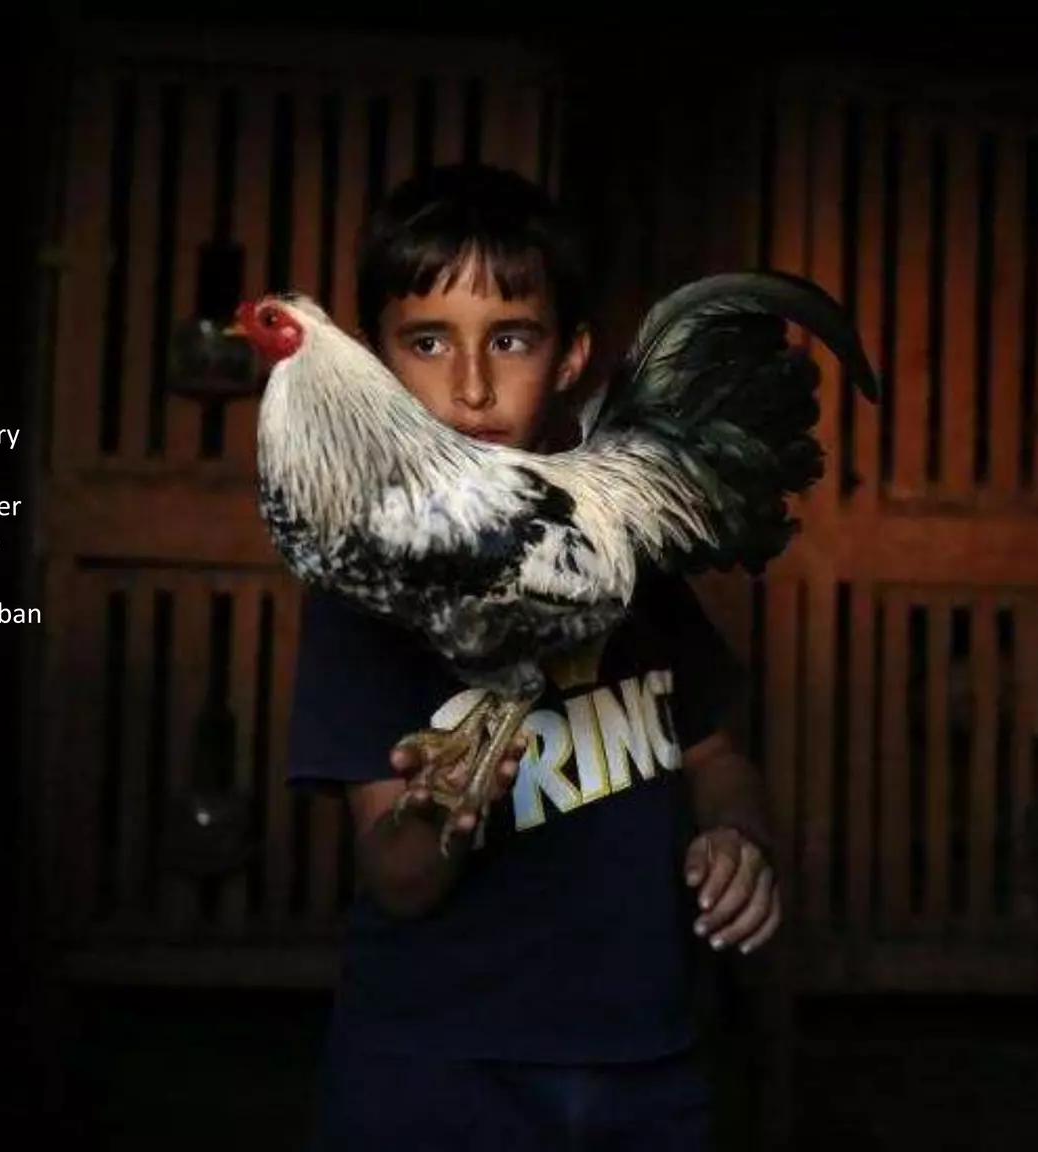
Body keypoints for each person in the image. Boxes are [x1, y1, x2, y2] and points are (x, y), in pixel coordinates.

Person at [287, 162, 782, 1150]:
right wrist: (441, 814)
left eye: (509, 338)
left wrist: (739, 841)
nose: (470, 384)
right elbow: (397, 878)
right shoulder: (360, 589)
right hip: (435, 1071)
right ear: (379, 366)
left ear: (568, 359)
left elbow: (718, 756)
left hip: (648, 1061)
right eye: (427, 342)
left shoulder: (630, 555)